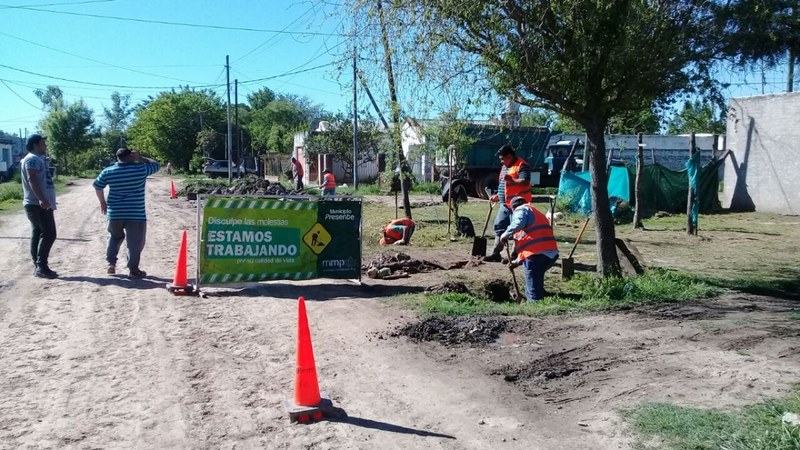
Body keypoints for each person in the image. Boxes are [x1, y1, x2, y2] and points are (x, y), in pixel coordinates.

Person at [93, 148, 160, 278]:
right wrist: (141, 158)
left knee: (114, 237)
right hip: (136, 213)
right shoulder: (141, 169)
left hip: (114, 212)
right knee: (134, 242)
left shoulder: (108, 171)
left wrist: (102, 202)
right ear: (130, 156)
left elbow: (97, 186)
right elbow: (156, 165)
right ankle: (133, 269)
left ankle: (111, 264)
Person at [501, 196, 559, 302]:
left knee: (532, 282)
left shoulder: (521, 210)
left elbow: (518, 224)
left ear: (513, 208)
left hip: (536, 255)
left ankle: (535, 304)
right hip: (550, 254)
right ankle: (538, 295)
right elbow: (528, 244)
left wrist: (505, 235)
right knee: (535, 277)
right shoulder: (535, 212)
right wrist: (516, 262)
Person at [485, 144, 532, 262]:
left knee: (517, 229)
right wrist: (497, 195)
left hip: (518, 205)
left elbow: (525, 181)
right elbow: (503, 184)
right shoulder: (505, 167)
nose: (501, 162)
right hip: (505, 205)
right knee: (499, 227)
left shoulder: (522, 165)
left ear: (510, 156)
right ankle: (496, 253)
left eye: (503, 159)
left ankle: (514, 256)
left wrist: (512, 180)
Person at [21, 134, 59, 279]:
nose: (45, 145)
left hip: (36, 203)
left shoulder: (36, 159)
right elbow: (32, 179)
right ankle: (41, 267)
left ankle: (39, 266)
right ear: (36, 144)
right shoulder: (32, 159)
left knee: (38, 232)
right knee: (49, 234)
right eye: (43, 143)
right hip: (37, 204)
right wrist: (42, 199)